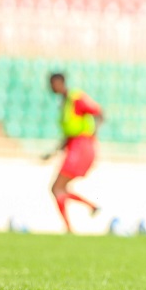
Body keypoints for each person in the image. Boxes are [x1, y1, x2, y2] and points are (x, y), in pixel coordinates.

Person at [43, 72, 103, 233]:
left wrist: (92, 137)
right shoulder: (64, 103)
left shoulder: (75, 98)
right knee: (58, 189)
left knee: (57, 188)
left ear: (58, 83)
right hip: (74, 146)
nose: (50, 87)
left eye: (51, 84)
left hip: (82, 146)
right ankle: (88, 210)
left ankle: (71, 226)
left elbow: (98, 112)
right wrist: (53, 152)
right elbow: (68, 134)